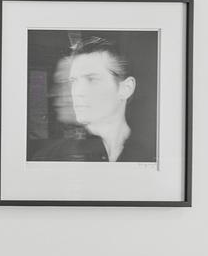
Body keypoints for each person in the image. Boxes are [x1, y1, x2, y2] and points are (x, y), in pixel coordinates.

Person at [34, 35, 153, 163]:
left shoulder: (152, 155)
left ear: (126, 88)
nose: (77, 92)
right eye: (74, 81)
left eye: (92, 79)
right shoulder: (53, 158)